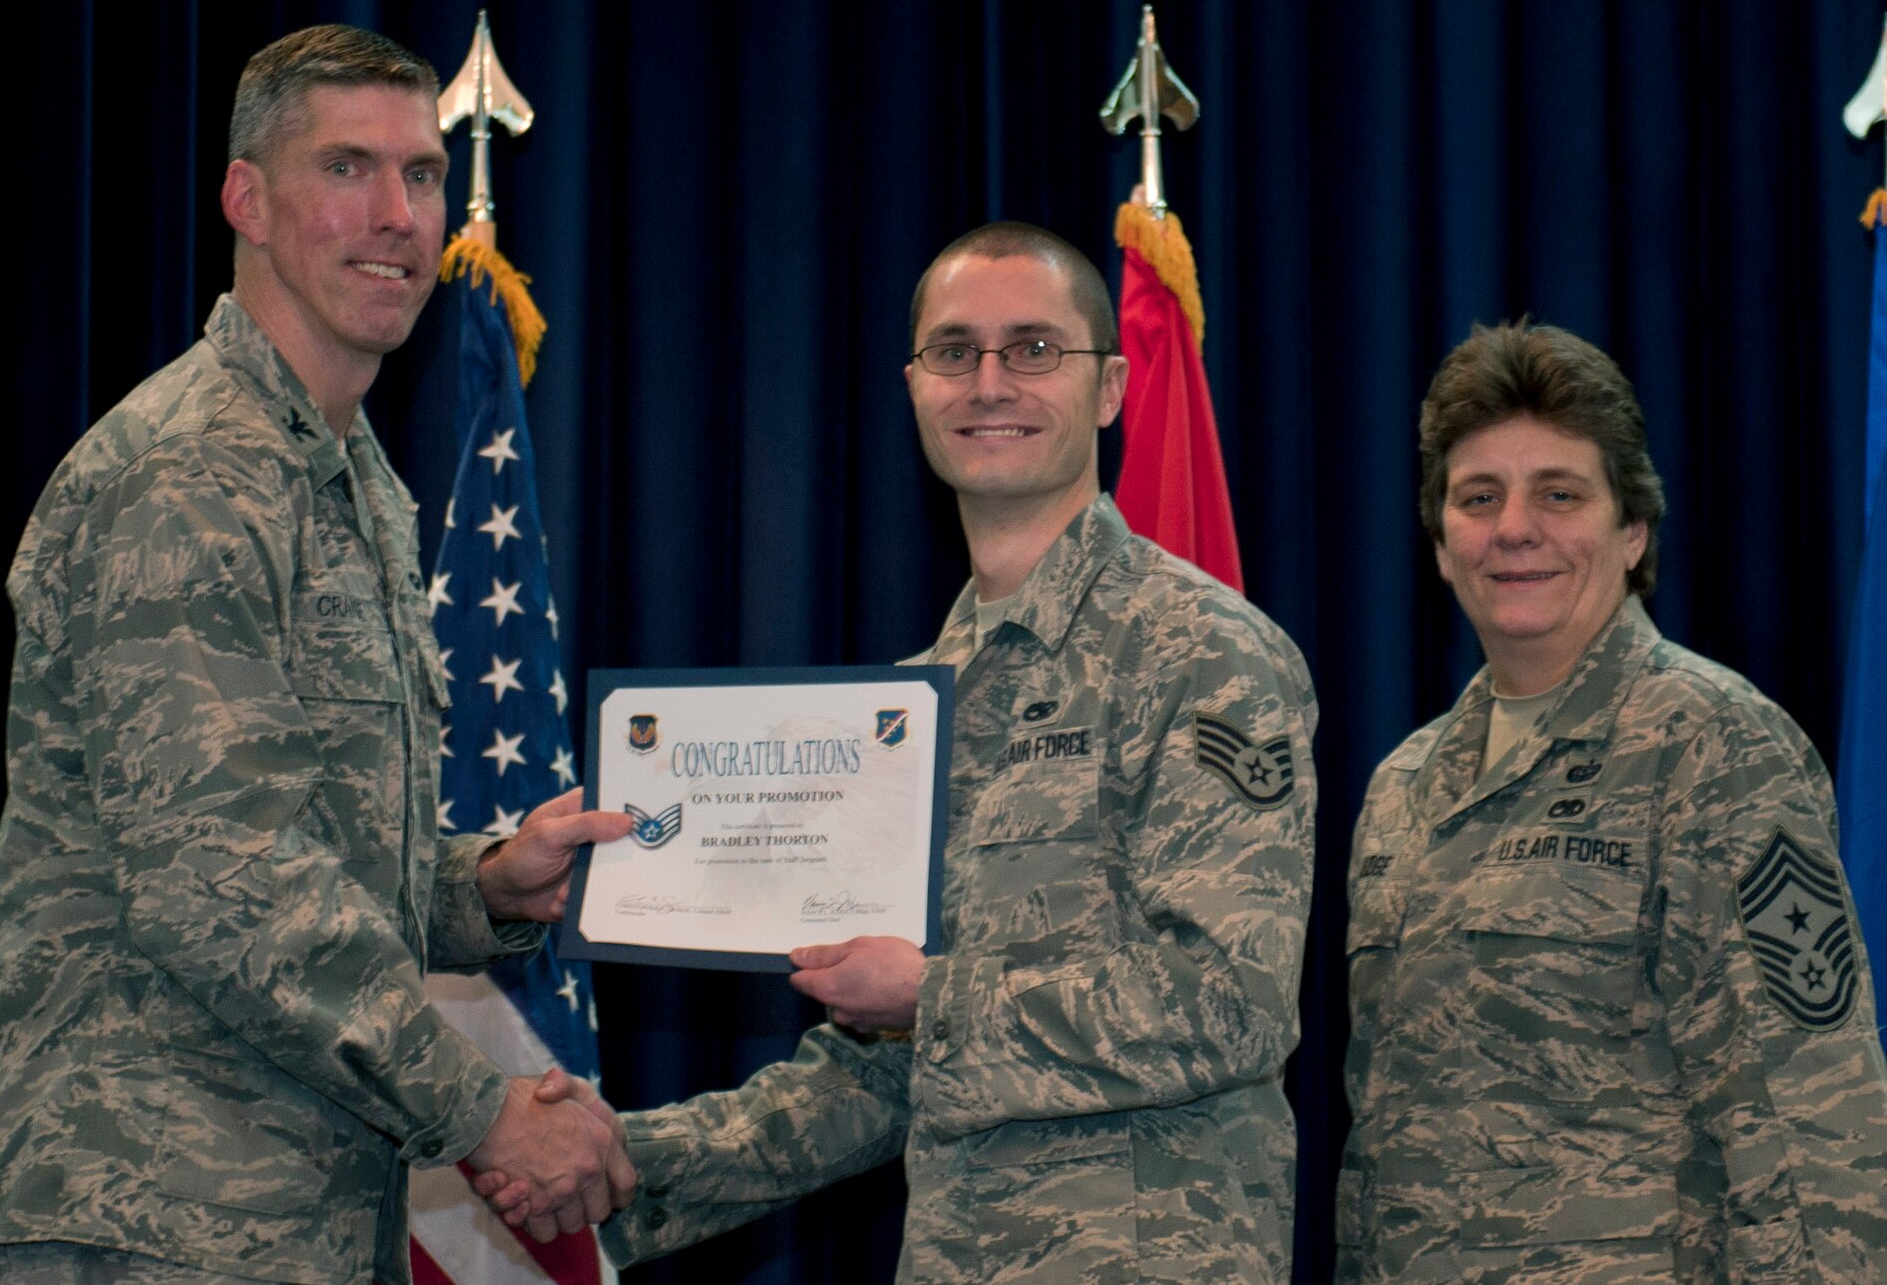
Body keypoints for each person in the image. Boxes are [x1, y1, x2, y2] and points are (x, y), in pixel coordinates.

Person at [483, 222, 1319, 1282]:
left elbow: (1227, 1006)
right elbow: (870, 1080)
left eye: (1031, 349)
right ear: (913, 384)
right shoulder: (905, 708)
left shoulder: (1205, 652)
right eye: (952, 350)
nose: (987, 382)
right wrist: (615, 1164)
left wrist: (934, 996)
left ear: (1107, 389)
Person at [0, 24, 634, 1285]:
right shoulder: (188, 473)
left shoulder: (348, 479)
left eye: (422, 175)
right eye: (346, 168)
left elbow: (310, 842)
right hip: (143, 1207)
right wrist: (482, 1109)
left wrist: (482, 884)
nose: (396, 215)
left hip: (289, 1215)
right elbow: (223, 876)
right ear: (246, 200)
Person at [1337, 320, 1887, 1283]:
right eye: (1478, 497)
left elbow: (1811, 1117)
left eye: (1560, 493)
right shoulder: (1403, 789)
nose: (1514, 528)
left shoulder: (1715, 746)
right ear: (1438, 542)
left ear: (1631, 531)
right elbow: (1379, 1147)